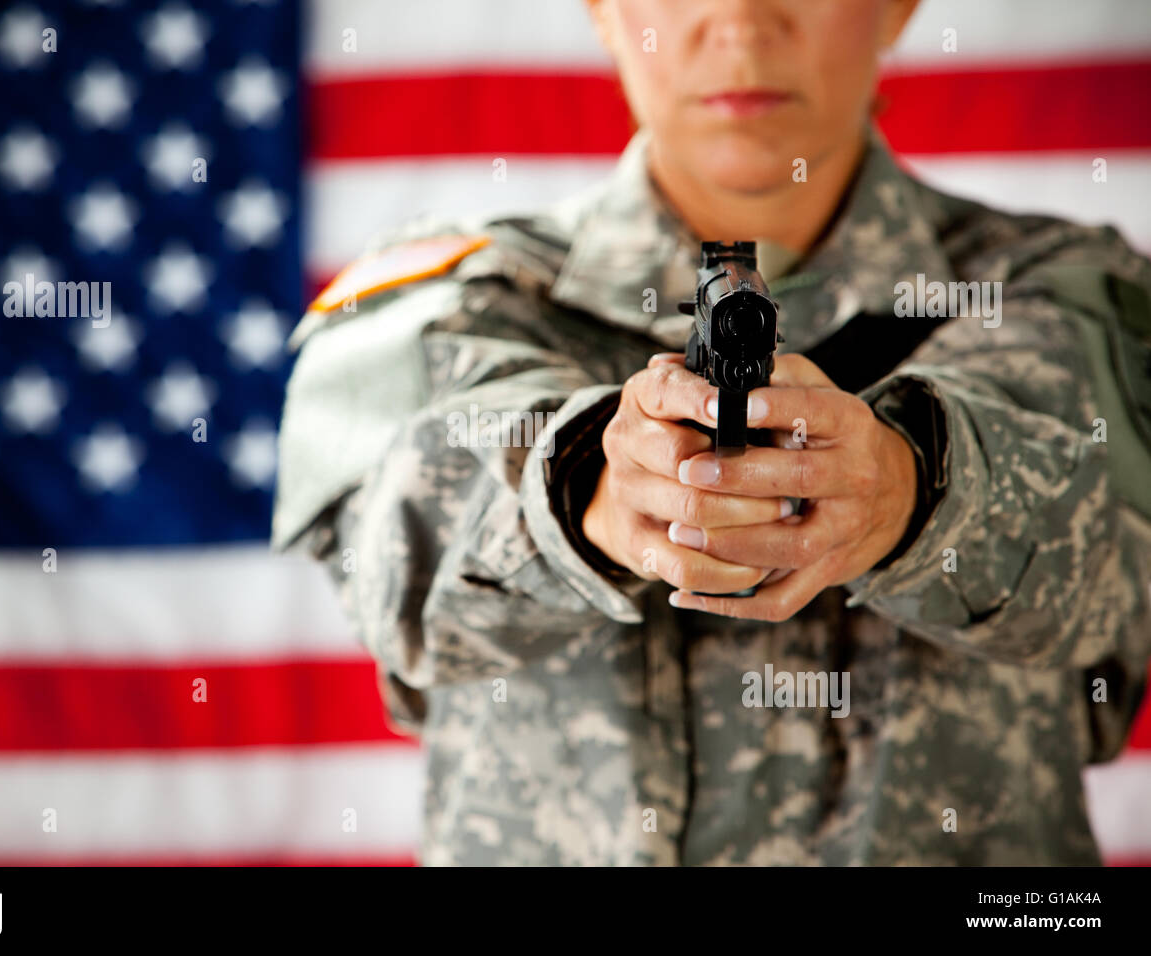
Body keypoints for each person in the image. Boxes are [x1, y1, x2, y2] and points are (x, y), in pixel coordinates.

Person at [271, 0, 1151, 864]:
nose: (739, 23)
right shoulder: (451, 300)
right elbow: (388, 566)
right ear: (602, 11)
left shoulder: (1062, 291)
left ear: (898, 8)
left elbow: (1118, 543)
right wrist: (591, 489)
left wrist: (912, 486)